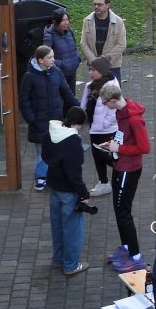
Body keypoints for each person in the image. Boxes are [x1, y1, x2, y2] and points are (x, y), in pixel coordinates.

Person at [102, 84, 150, 272]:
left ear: (114, 100)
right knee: (119, 209)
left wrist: (118, 148)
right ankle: (126, 247)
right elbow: (124, 137)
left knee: (124, 212)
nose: (105, 106)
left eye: (106, 103)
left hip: (128, 170)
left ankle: (136, 256)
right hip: (120, 166)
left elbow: (144, 147)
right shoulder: (121, 112)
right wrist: (114, 143)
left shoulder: (134, 119)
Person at [19, 44, 74, 192]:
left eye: (53, 57)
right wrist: (32, 120)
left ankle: (53, 176)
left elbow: (66, 92)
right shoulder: (29, 77)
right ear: (40, 60)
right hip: (39, 122)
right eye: (50, 57)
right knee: (42, 152)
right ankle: (41, 177)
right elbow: (24, 101)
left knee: (56, 149)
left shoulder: (56, 72)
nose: (53, 60)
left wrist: (78, 107)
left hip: (56, 120)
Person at [45, 105, 92, 277]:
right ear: (79, 124)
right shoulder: (72, 142)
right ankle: (71, 264)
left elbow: (44, 156)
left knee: (57, 225)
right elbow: (74, 173)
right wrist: (84, 193)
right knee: (72, 229)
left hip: (54, 186)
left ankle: (59, 258)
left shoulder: (50, 134)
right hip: (68, 191)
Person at [81, 59, 118, 197]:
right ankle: (103, 182)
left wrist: (104, 123)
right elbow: (84, 104)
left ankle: (122, 171)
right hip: (94, 128)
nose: (90, 72)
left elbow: (114, 110)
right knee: (97, 156)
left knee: (103, 155)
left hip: (106, 130)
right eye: (90, 69)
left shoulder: (111, 87)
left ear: (102, 71)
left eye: (93, 70)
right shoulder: (91, 85)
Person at [81, 0, 127, 80]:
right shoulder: (87, 21)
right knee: (96, 89)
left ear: (107, 5)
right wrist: (94, 61)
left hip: (112, 66)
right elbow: (84, 43)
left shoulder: (118, 22)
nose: (96, 7)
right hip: (94, 66)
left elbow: (121, 44)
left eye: (99, 4)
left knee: (113, 89)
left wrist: (105, 60)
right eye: (94, 4)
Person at [42, 9, 80, 88]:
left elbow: (74, 47)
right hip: (60, 74)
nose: (66, 23)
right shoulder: (49, 36)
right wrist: (61, 65)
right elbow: (46, 56)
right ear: (56, 22)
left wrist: (77, 59)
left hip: (72, 72)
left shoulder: (69, 32)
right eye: (63, 20)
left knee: (72, 94)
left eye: (67, 20)